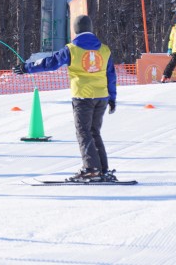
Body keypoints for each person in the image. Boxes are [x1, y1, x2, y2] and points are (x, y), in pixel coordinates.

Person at [12, 15, 117, 183]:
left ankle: (91, 169)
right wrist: (112, 97)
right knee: (94, 132)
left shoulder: (72, 49)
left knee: (83, 132)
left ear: (75, 30)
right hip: (101, 96)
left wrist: (26, 68)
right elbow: (111, 75)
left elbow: (50, 63)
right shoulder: (105, 50)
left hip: (83, 97)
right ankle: (102, 169)